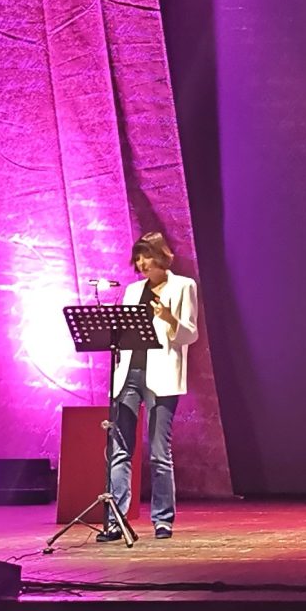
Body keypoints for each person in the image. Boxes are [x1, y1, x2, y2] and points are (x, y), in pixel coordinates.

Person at [101, 231, 199, 542]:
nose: (142, 263)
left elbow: (190, 335)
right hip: (129, 374)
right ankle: (115, 521)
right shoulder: (133, 291)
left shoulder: (183, 286)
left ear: (161, 255)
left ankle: (163, 520)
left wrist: (169, 318)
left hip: (162, 376)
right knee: (120, 450)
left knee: (159, 452)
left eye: (146, 256)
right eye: (138, 258)